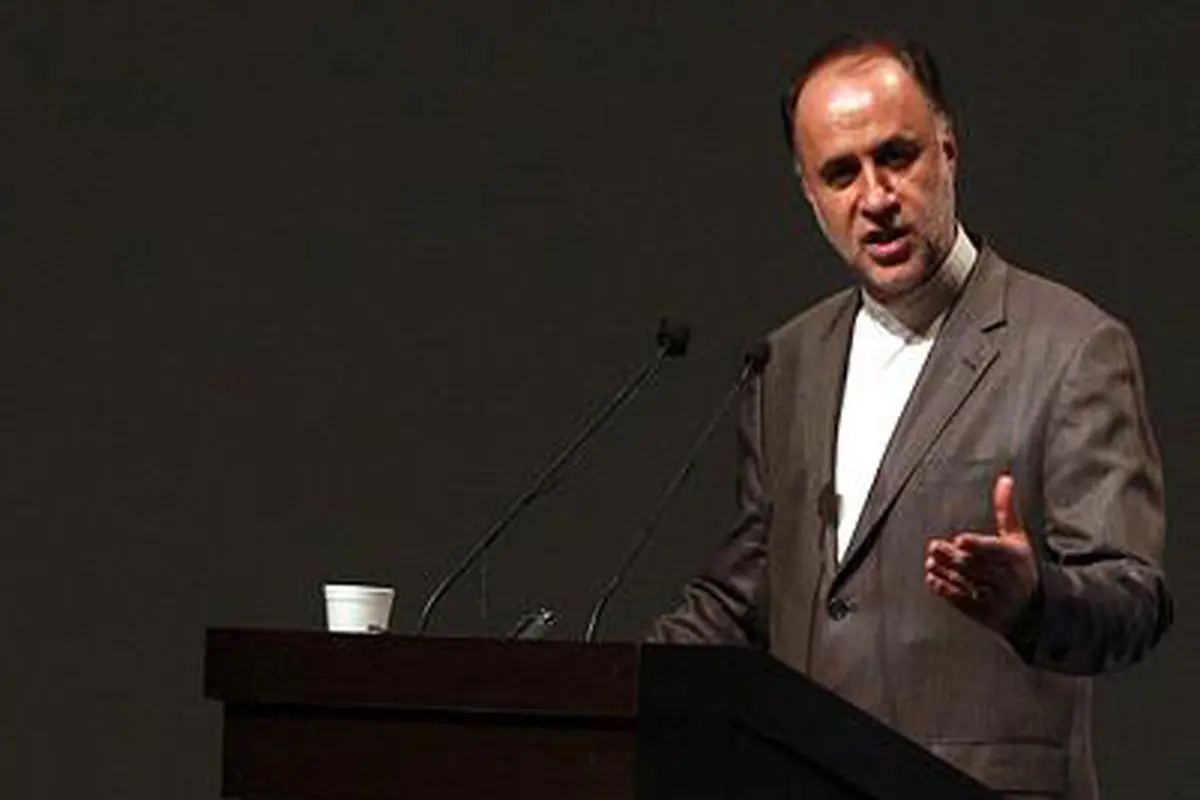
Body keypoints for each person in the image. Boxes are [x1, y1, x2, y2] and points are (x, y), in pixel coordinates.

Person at [649, 33, 1171, 800]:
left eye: (897, 157)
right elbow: (741, 598)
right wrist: (593, 684)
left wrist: (1034, 602)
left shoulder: (1072, 347)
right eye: (840, 174)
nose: (876, 199)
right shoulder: (785, 361)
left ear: (948, 152)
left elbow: (1132, 598)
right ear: (810, 194)